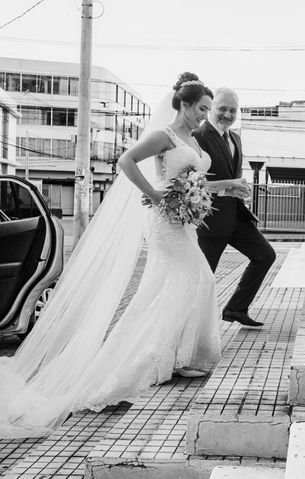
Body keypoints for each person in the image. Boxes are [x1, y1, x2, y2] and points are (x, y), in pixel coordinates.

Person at [0, 73, 245, 439]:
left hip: (182, 223)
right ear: (184, 105)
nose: (203, 116)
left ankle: (178, 356)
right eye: (201, 109)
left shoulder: (192, 140)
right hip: (163, 222)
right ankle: (167, 357)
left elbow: (193, 183)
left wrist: (225, 187)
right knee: (197, 278)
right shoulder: (165, 135)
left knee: (175, 285)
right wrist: (157, 194)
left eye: (208, 110)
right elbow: (126, 162)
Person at [193, 88, 276, 328]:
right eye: (222, 109)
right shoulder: (198, 135)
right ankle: (193, 329)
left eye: (233, 110)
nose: (228, 114)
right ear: (211, 109)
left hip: (236, 216)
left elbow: (232, 175)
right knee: (203, 280)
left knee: (265, 255)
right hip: (210, 220)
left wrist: (240, 190)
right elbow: (194, 183)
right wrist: (227, 188)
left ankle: (235, 309)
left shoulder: (235, 138)